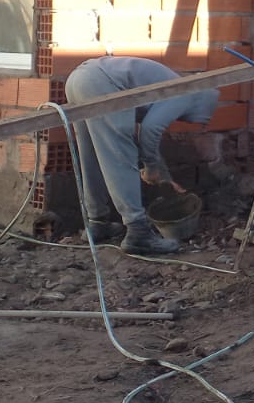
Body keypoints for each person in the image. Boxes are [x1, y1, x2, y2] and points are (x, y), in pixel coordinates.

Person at [63, 55, 219, 255]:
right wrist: (151, 167)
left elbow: (145, 134)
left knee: (91, 153)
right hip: (102, 83)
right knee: (118, 153)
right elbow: (150, 130)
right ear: (202, 109)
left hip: (79, 79)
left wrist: (164, 177)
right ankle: (138, 232)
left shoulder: (171, 83)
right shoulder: (188, 93)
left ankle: (97, 222)